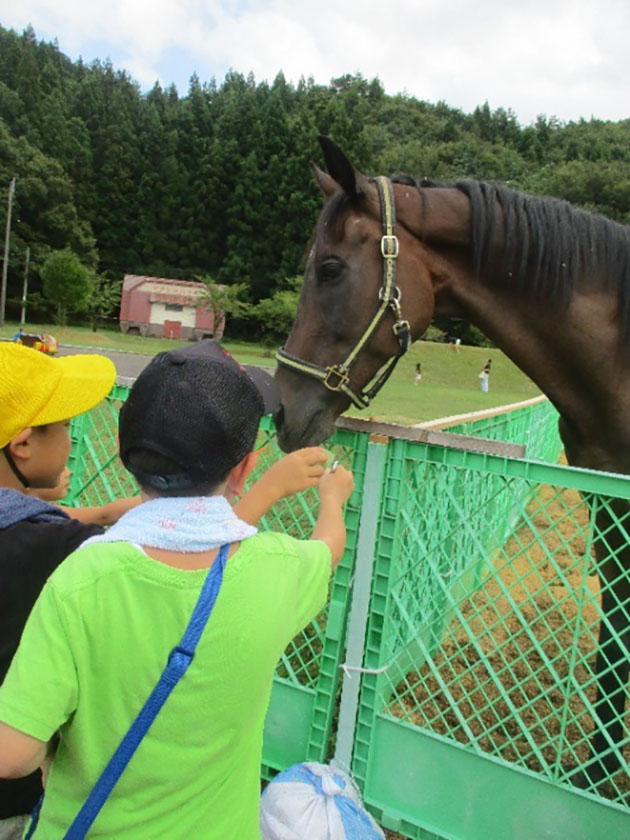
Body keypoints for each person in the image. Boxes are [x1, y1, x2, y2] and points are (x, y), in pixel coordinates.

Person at [0, 340, 354, 840]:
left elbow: (12, 754)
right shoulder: (278, 567)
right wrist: (332, 500)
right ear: (243, 469)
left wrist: (49, 750)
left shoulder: (83, 578)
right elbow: (328, 549)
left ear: (126, 455)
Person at [0, 342, 117, 839]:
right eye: (66, 426)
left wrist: (33, 497)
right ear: (22, 444)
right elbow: (175, 563)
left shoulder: (37, 528)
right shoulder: (55, 546)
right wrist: (265, 490)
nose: (71, 438)